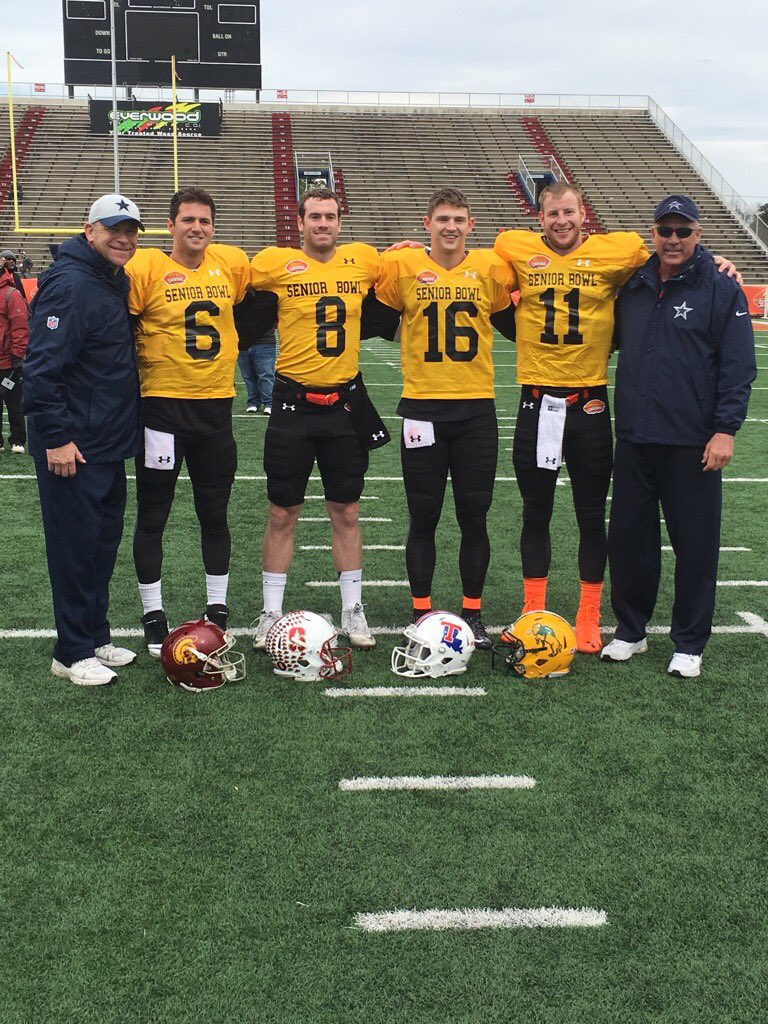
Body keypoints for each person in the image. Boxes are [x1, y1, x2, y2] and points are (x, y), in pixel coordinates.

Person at [493, 183, 738, 654]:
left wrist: (715, 260)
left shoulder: (619, 250)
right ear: (538, 217)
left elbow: (675, 257)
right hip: (537, 401)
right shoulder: (514, 247)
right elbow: (470, 266)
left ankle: (589, 614)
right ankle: (533, 610)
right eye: (552, 213)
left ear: (583, 214)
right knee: (535, 512)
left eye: (569, 212)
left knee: (591, 515)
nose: (561, 221)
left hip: (590, 403)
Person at [600, 195, 756, 678]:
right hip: (634, 436)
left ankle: (689, 642)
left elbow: (738, 367)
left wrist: (725, 430)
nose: (673, 240)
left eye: (682, 231)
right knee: (629, 540)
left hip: (692, 441)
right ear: (653, 233)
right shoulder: (635, 283)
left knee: (695, 544)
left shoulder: (720, 287)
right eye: (665, 231)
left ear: (699, 234)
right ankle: (631, 630)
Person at [372, 187, 516, 647]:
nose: (450, 227)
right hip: (421, 408)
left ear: (470, 225)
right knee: (424, 516)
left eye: (458, 219)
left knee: (475, 516)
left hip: (476, 409)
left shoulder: (493, 269)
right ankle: (422, 612)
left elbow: (514, 317)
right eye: (442, 219)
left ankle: (472, 612)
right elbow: (373, 316)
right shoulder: (404, 267)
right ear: (426, 223)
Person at [249, 187, 389, 650]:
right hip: (292, 404)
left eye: (330, 216)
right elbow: (235, 277)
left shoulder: (363, 260)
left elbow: (398, 268)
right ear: (301, 222)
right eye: (315, 217)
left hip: (344, 406)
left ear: (340, 222)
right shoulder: (276, 263)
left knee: (347, 510)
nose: (323, 224)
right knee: (281, 511)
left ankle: (353, 609)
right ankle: (271, 612)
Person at [23, 193, 143, 685]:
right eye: (114, 228)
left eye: (132, 230)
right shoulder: (71, 283)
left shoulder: (108, 279)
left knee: (98, 547)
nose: (124, 238)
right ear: (88, 230)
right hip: (73, 445)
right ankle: (71, 651)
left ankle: (94, 635)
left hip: (107, 441)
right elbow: (42, 368)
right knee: (74, 551)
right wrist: (55, 437)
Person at [127, 186, 251, 655]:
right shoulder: (147, 268)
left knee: (214, 514)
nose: (196, 228)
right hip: (161, 409)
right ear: (171, 225)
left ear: (213, 227)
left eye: (204, 221)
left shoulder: (231, 264)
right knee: (153, 515)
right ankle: (152, 613)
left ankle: (217, 610)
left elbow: (256, 303)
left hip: (216, 407)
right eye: (187, 220)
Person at [0, 263, 29, 453]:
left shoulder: (11, 294)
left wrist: (18, 354)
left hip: (8, 359)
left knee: (13, 400)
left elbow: (20, 325)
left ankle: (17, 439)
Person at [234, 290, 277, 414]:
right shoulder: (240, 296)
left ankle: (269, 402)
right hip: (242, 343)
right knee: (248, 376)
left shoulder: (267, 295)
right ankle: (253, 401)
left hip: (264, 341)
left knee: (265, 375)